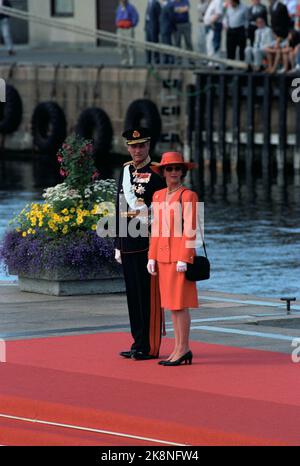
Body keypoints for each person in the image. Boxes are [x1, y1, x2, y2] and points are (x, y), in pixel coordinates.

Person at [115, 128, 165, 361]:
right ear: (128, 147)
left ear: (148, 146)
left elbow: (162, 211)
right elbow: (120, 209)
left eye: (141, 146)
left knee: (147, 297)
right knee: (132, 297)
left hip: (147, 244)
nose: (137, 150)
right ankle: (138, 342)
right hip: (127, 243)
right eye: (133, 146)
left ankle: (149, 345)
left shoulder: (157, 174)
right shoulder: (125, 172)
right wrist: (117, 244)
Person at [148, 152, 199, 366]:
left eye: (178, 168)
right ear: (163, 172)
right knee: (171, 305)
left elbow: (191, 229)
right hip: (162, 257)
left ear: (183, 172)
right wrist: (151, 257)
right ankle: (178, 348)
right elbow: (156, 229)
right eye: (169, 169)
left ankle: (183, 348)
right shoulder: (158, 195)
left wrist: (184, 257)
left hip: (178, 258)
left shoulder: (188, 195)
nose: (174, 172)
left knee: (180, 305)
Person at [115, 0, 139, 67]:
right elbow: (117, 16)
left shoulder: (131, 7)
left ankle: (132, 63)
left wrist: (132, 24)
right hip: (120, 29)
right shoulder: (119, 7)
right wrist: (117, 23)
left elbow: (136, 17)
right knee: (121, 46)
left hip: (128, 29)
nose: (121, 2)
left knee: (130, 46)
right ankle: (124, 62)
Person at [203, 0, 224, 65]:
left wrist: (211, 22)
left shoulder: (218, 1)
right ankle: (211, 62)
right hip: (210, 26)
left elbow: (218, 13)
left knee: (214, 44)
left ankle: (215, 63)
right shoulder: (212, 2)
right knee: (210, 44)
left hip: (213, 25)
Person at [145, 0, 161, 65]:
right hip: (148, 26)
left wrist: (158, 28)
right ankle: (148, 60)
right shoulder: (148, 3)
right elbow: (146, 16)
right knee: (147, 44)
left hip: (154, 27)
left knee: (154, 44)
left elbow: (159, 16)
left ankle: (156, 59)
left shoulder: (156, 3)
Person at [160, 0, 176, 64]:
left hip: (167, 28)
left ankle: (171, 59)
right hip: (163, 28)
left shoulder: (169, 5)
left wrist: (173, 27)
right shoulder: (163, 5)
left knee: (168, 44)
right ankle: (166, 59)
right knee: (164, 44)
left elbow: (171, 17)